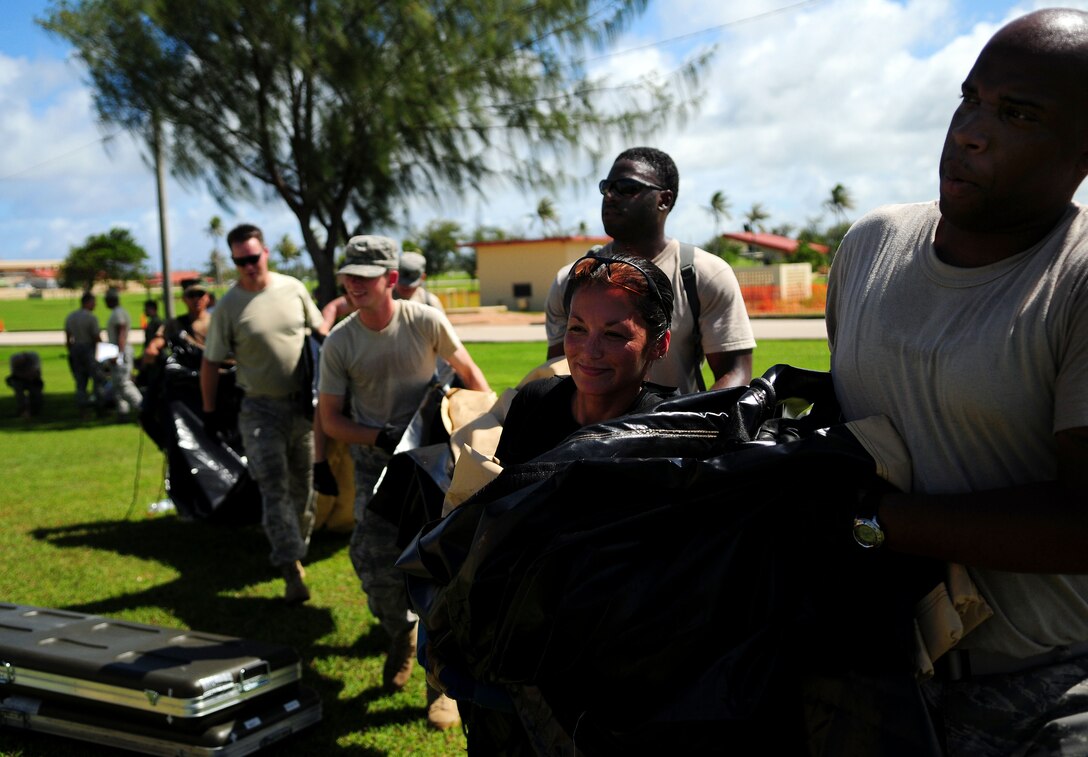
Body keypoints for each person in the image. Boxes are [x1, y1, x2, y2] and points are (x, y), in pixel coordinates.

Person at [825, 9, 1088, 754]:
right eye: (970, 99)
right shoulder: (870, 245)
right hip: (867, 673)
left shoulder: (1076, 279)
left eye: (1017, 113)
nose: (970, 131)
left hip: (1048, 686)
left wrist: (875, 521)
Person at [317, 234, 490, 730]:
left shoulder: (426, 320)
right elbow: (330, 419)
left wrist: (487, 428)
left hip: (432, 462)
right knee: (371, 563)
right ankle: (401, 633)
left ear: (391, 280)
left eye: (365, 277)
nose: (353, 284)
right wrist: (379, 434)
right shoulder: (341, 341)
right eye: (349, 275)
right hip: (377, 467)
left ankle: (443, 688)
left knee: (443, 571)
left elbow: (470, 374)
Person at [544, 146, 755, 393]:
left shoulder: (704, 274)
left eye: (626, 188)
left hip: (674, 427)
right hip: (592, 431)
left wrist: (682, 423)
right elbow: (558, 373)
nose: (610, 196)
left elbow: (736, 373)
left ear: (664, 200)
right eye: (606, 187)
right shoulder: (572, 280)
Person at [201, 223, 325, 605]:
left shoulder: (294, 289)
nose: (248, 266)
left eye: (253, 258)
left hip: (301, 407)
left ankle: (296, 544)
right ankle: (290, 567)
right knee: (273, 487)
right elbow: (210, 363)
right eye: (240, 261)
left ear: (265, 252)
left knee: (302, 489)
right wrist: (208, 413)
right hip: (259, 409)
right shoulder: (228, 307)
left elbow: (322, 335)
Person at [496, 251, 675, 466]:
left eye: (613, 334)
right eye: (578, 329)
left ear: (659, 344)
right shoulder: (533, 405)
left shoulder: (668, 434)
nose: (590, 351)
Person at [104, 287, 144, 421]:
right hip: (115, 349)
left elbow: (121, 333)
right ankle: (122, 412)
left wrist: (118, 354)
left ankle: (143, 408)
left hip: (120, 350)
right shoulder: (116, 312)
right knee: (117, 384)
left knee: (124, 383)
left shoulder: (118, 313)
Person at [64, 292, 102, 416]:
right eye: (94, 302)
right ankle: (99, 407)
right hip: (88, 349)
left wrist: (71, 351)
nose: (95, 305)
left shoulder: (71, 316)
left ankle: (82, 409)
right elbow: (96, 337)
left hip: (76, 349)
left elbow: (68, 339)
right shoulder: (91, 318)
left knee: (80, 381)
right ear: (88, 302)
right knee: (97, 379)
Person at [6, 352, 43, 419]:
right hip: (19, 379)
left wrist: (29, 377)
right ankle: (22, 409)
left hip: (32, 378)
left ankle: (33, 409)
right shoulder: (14, 359)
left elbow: (37, 373)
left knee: (36, 393)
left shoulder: (34, 358)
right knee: (19, 392)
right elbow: (14, 373)